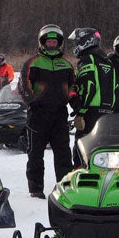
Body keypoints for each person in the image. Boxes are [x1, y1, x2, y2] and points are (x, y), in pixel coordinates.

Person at [18, 24, 77, 199]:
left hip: (59, 114)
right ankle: (36, 190)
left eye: (54, 42)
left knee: (63, 155)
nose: (52, 44)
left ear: (59, 44)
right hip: (38, 115)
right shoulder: (32, 62)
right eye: (49, 42)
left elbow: (73, 86)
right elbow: (23, 85)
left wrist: (75, 103)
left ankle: (65, 188)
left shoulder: (66, 65)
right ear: (42, 43)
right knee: (35, 154)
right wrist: (32, 102)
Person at [68, 28, 116, 168]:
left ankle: (80, 177)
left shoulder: (87, 59)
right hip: (107, 113)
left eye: (76, 42)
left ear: (85, 42)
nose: (74, 46)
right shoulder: (107, 61)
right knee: (101, 147)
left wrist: (81, 111)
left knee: (82, 147)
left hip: (90, 112)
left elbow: (89, 86)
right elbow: (115, 87)